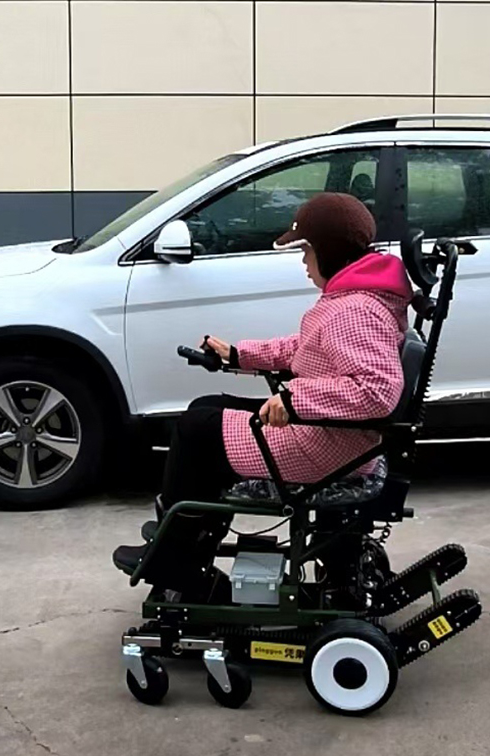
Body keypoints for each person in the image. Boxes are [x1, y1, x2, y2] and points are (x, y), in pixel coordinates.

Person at [113, 192, 413, 588]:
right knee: (206, 409)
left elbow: (376, 390)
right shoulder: (354, 298)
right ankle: (185, 541)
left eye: (307, 252)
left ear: (328, 250)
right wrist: (238, 355)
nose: (304, 263)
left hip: (327, 448)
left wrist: (294, 400)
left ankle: (177, 555)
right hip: (333, 436)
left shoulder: (355, 310)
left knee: (197, 429)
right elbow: (306, 348)